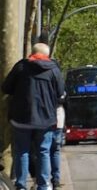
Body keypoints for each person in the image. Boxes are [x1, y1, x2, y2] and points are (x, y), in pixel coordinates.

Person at [2, 41, 65, 190]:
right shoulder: (54, 70)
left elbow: (6, 87)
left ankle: (21, 185)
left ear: (32, 53)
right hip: (46, 118)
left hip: (21, 118)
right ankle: (43, 185)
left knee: (22, 152)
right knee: (44, 152)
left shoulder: (21, 67)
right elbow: (60, 92)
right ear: (47, 56)